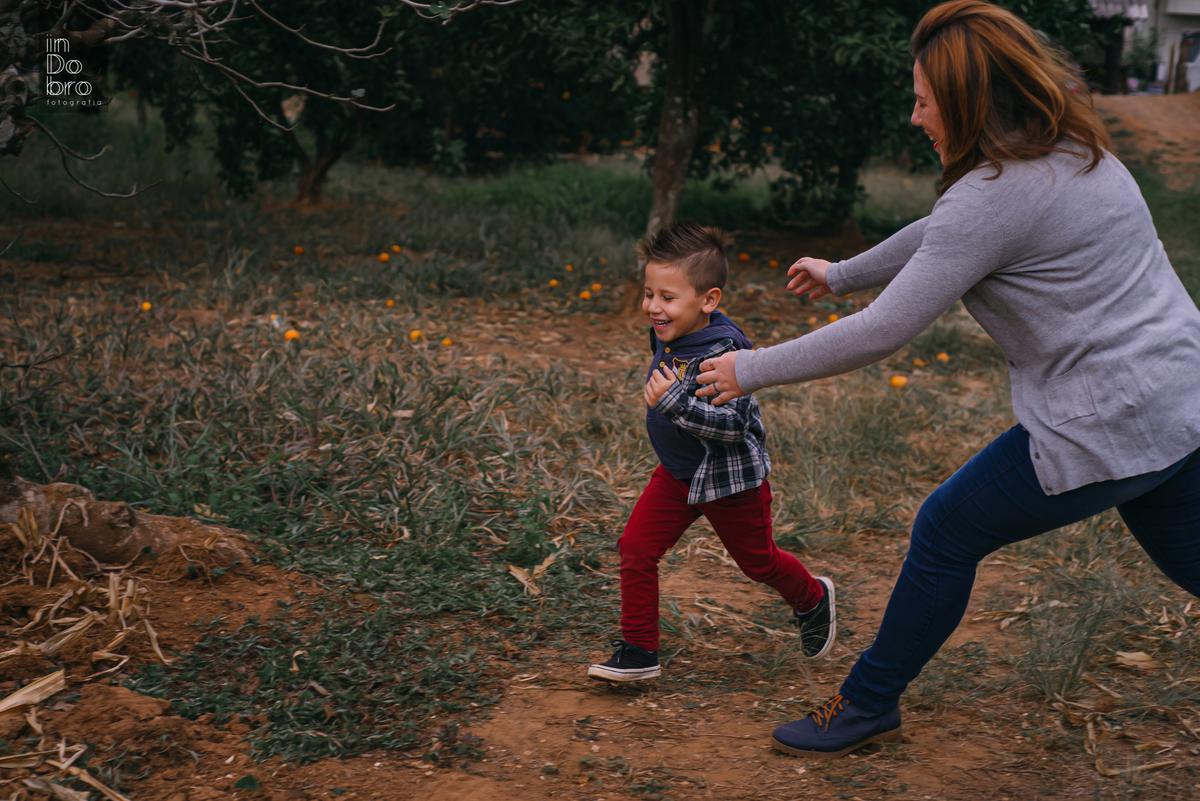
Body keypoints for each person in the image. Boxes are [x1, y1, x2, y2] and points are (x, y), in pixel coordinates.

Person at [695, 0, 1200, 758]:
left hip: (1109, 421)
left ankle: (866, 704)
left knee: (946, 527)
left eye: (925, 101)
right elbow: (946, 230)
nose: (914, 116)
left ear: (968, 102)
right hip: (1181, 399)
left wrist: (748, 368)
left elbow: (884, 329)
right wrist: (843, 272)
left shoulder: (992, 197)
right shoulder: (1077, 151)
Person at [587, 222, 836, 682]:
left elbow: (733, 427)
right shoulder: (673, 333)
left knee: (758, 562)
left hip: (730, 482)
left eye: (667, 297)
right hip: (678, 473)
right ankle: (640, 649)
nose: (653, 306)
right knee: (636, 547)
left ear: (708, 300)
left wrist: (675, 405)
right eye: (649, 293)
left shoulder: (723, 354)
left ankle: (812, 597)